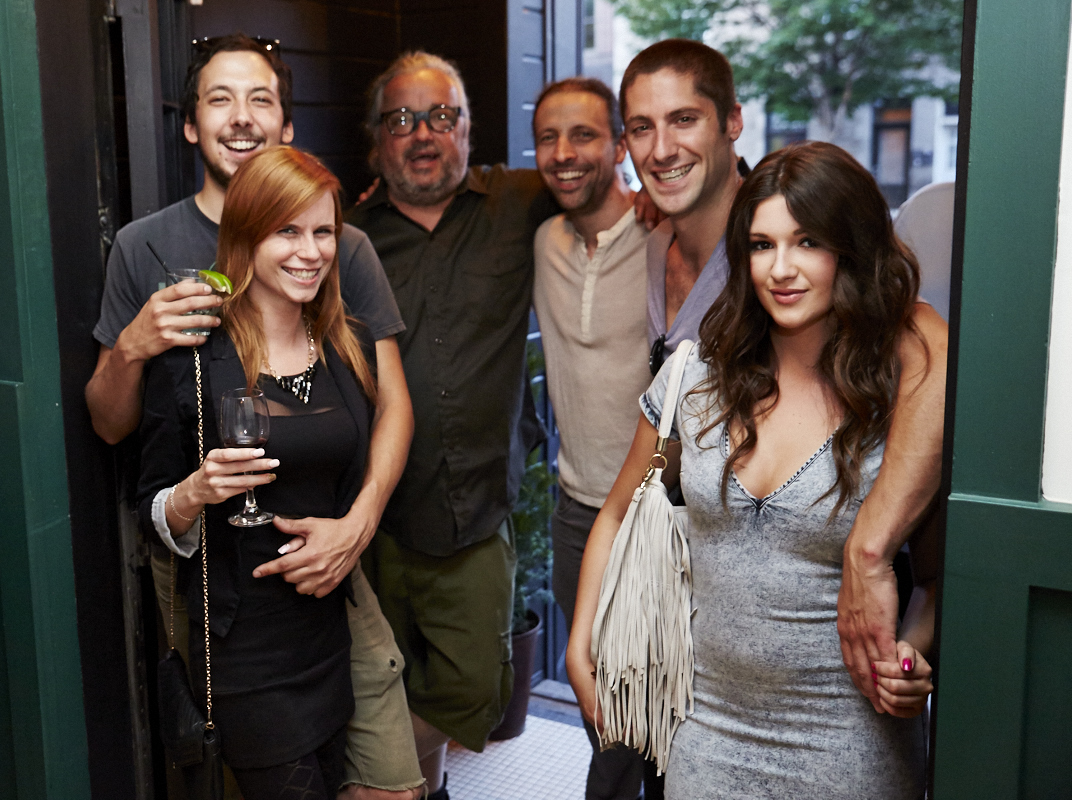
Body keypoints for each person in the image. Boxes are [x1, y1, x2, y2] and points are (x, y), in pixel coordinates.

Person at [85, 34, 423, 800]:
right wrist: (136, 345)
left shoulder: (340, 286)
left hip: (329, 582)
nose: (307, 252)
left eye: (261, 99)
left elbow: (392, 402)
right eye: (219, 99)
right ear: (191, 124)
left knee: (386, 777)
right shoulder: (148, 253)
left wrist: (357, 525)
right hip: (223, 595)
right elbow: (116, 434)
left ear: (287, 125)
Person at [568, 141, 939, 798]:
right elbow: (620, 509)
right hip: (708, 730)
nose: (782, 269)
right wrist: (580, 642)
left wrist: (911, 654)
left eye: (808, 243)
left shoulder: (900, 397)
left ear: (850, 250)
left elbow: (938, 577)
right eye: (763, 245)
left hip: (851, 736)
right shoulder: (699, 379)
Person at [621, 39, 947, 705]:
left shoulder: (895, 364)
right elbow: (630, 490)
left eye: (684, 119)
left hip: (837, 717)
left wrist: (874, 569)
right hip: (694, 653)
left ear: (731, 122)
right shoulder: (655, 249)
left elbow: (929, 336)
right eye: (763, 247)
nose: (781, 268)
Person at [345, 51, 560, 799]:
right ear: (377, 140)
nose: (423, 134)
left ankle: (390, 782)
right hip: (371, 517)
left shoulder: (520, 202)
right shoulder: (342, 235)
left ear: (469, 130)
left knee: (475, 690)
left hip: (474, 512)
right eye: (402, 118)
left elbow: (604, 193)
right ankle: (422, 789)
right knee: (373, 684)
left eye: (442, 116)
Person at [137, 146, 381, 800]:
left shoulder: (342, 345)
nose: (311, 251)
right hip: (246, 655)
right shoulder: (193, 359)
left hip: (328, 641)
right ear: (246, 237)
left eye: (323, 231)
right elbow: (151, 512)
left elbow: (361, 476)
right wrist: (194, 492)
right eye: (288, 231)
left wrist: (351, 531)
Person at [530, 77, 653, 800]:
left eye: (584, 135)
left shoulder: (662, 231)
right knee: (597, 705)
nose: (565, 153)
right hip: (579, 510)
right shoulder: (542, 238)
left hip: (662, 519)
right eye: (549, 137)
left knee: (641, 724)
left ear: (619, 144)